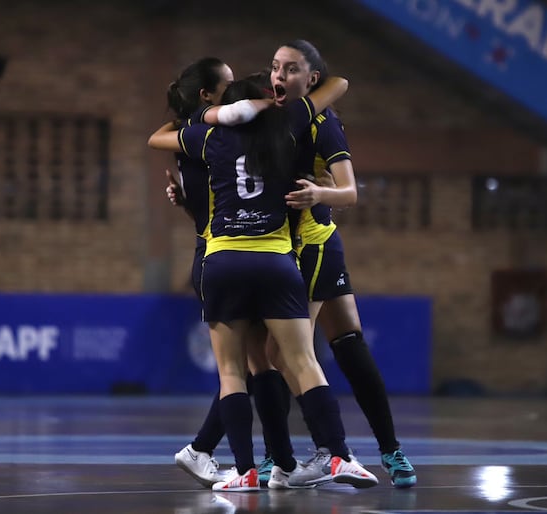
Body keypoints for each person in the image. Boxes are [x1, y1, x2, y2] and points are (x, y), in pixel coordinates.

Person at [149, 74, 379, 491]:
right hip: (276, 261)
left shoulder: (208, 139)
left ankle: (246, 472)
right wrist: (274, 106)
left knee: (232, 373)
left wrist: (219, 113)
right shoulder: (288, 133)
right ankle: (339, 456)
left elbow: (159, 137)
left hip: (223, 260)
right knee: (303, 361)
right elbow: (337, 85)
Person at [267, 39, 417, 489]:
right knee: (348, 343)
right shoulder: (273, 117)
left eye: (290, 69)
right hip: (304, 245)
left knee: (281, 354)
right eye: (274, 67)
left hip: (310, 245)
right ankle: (388, 453)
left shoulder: (322, 123)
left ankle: (324, 452)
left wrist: (318, 194)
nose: (279, 76)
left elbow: (350, 193)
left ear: (311, 79)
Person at [159, 58, 292, 489]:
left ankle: (249, 458)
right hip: (221, 255)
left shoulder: (196, 142)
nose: (241, 92)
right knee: (253, 366)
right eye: (231, 85)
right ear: (208, 98)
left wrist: (183, 200)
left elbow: (200, 202)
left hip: (219, 253)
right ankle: (250, 459)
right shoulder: (210, 138)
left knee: (258, 366)